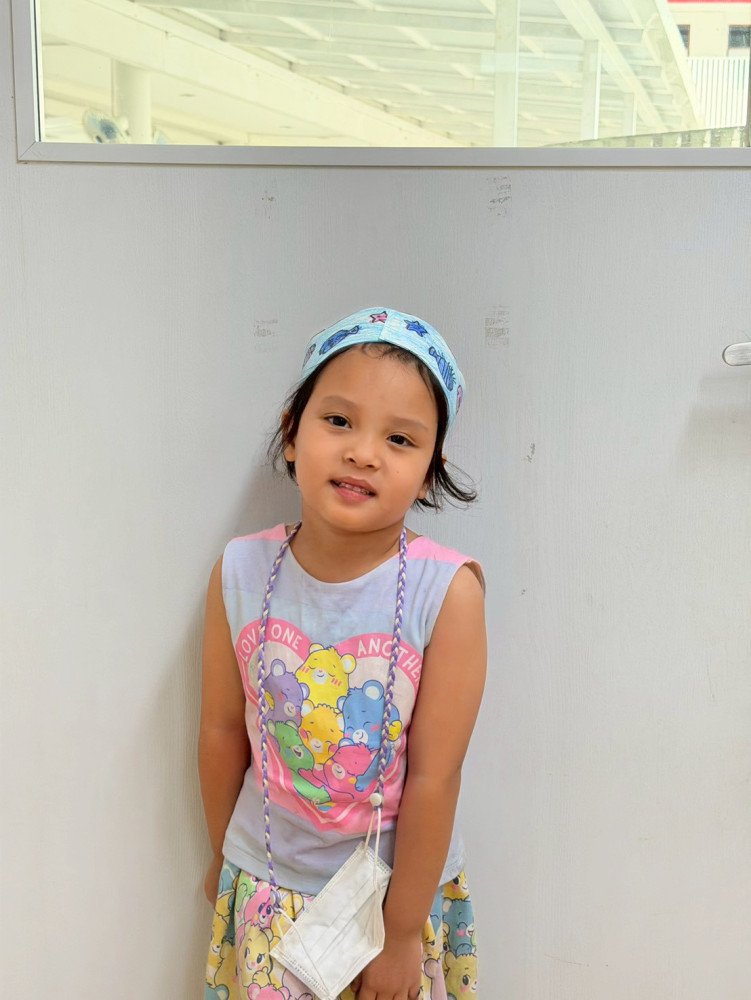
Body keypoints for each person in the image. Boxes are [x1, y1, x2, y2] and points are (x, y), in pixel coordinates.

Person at [200, 307, 487, 1000]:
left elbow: (435, 778)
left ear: (429, 473)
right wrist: (225, 858)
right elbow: (219, 730)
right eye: (338, 421)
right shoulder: (240, 570)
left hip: (390, 903)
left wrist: (403, 930)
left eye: (399, 438)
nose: (363, 452)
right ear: (291, 434)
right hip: (265, 888)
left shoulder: (446, 591)